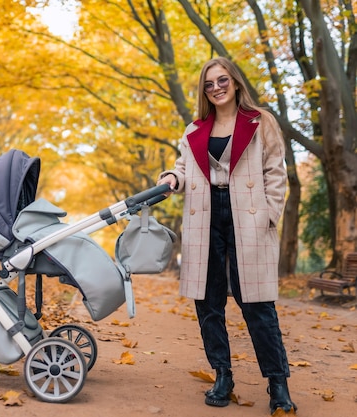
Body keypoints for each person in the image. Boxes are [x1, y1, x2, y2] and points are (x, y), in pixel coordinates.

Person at [156, 57, 297, 414]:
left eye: (222, 81)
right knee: (208, 301)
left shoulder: (260, 121)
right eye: (209, 84)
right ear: (204, 91)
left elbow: (276, 173)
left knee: (257, 304)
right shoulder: (194, 129)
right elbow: (184, 167)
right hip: (205, 215)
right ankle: (223, 374)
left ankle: (277, 383)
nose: (216, 88)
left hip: (248, 215)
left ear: (235, 82)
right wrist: (171, 177)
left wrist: (269, 216)